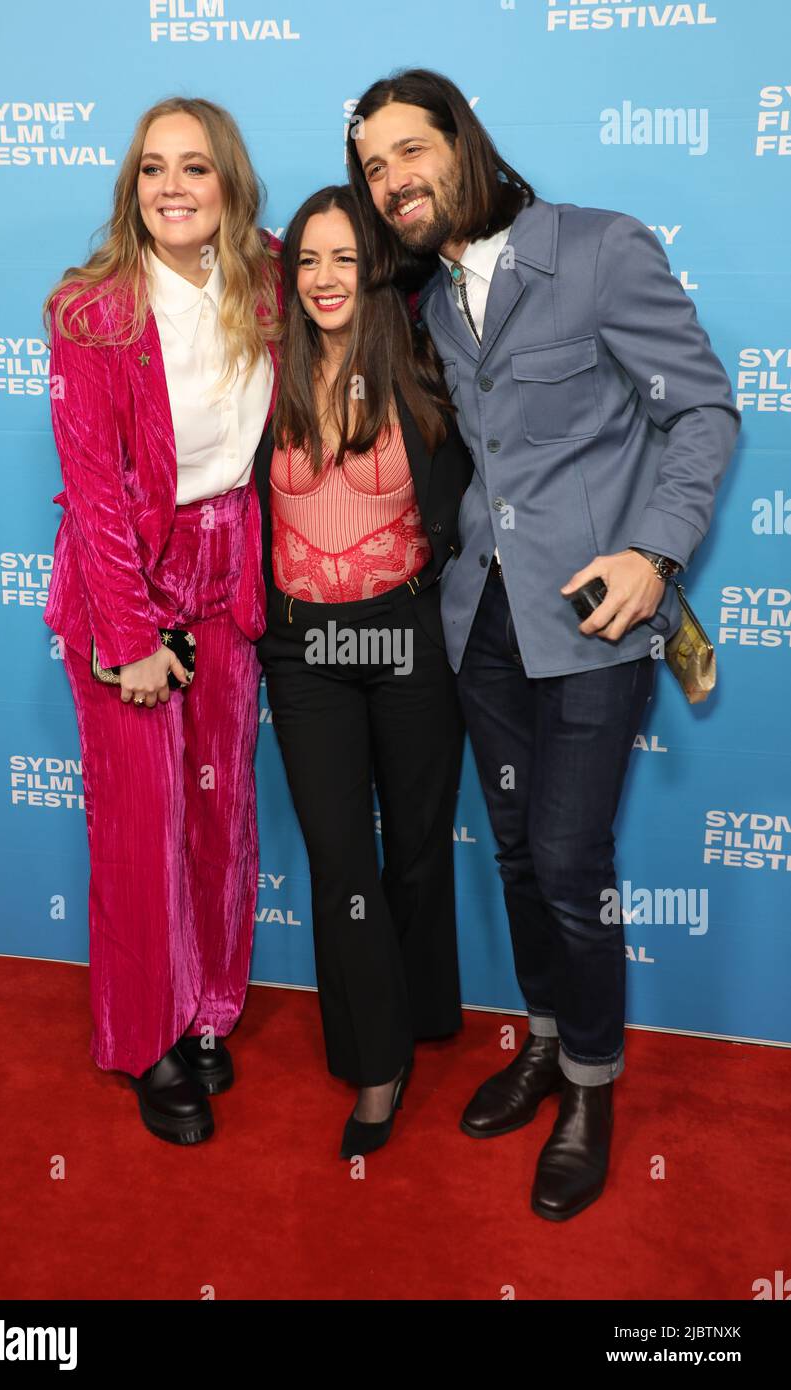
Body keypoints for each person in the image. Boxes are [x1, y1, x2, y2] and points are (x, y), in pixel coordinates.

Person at [348, 68, 740, 1216]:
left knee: (571, 863)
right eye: (374, 167)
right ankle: (546, 1037)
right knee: (518, 855)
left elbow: (702, 410)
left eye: (410, 150)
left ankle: (589, 1085)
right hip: (484, 622)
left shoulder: (601, 249)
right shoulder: (426, 305)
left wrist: (652, 555)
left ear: (464, 144)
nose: (392, 180)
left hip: (592, 623)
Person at [43, 96, 282, 1146]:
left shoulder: (272, 277)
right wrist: (128, 637)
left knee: (218, 812)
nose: (172, 188)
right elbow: (92, 484)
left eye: (194, 167)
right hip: (128, 576)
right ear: (130, 188)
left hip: (233, 572)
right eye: (152, 169)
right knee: (142, 823)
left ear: (229, 180)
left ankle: (208, 1009)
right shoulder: (90, 310)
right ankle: (147, 1036)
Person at [253, 185, 473, 1158]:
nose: (325, 278)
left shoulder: (424, 356)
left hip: (404, 633)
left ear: (377, 267)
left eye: (346, 257)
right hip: (308, 647)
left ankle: (423, 1008)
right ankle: (376, 1061)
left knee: (418, 847)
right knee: (342, 859)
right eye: (307, 259)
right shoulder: (265, 367)